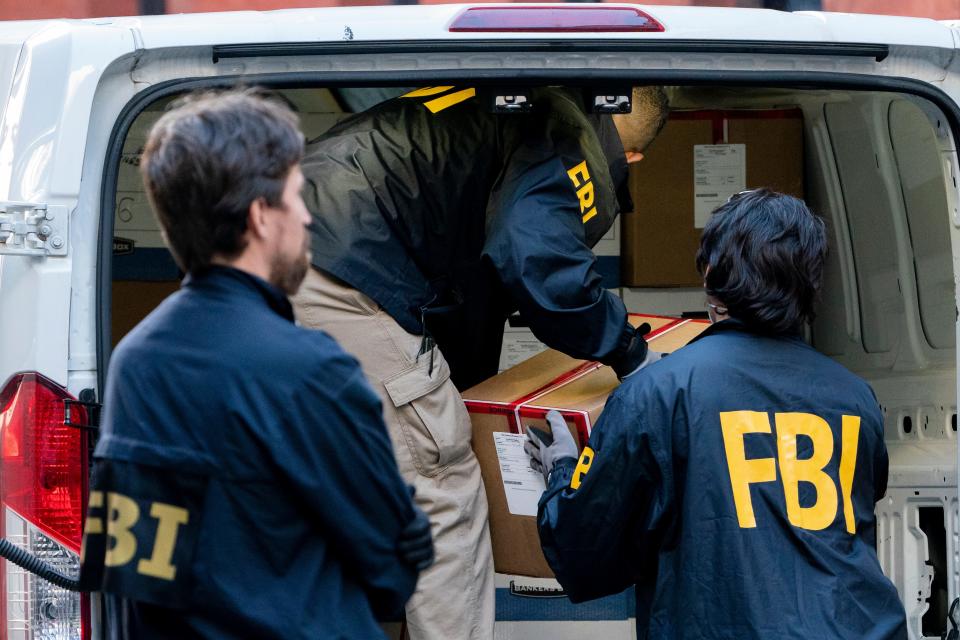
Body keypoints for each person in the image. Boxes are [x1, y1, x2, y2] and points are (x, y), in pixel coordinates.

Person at [292, 85, 669, 639]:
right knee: (441, 481)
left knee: (340, 479)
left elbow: (474, 282)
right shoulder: (570, 133)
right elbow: (537, 257)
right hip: (339, 265)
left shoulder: (506, 106)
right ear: (631, 155)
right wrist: (631, 355)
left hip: (267, 242)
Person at [78, 90, 433, 639]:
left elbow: (135, 579)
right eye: (297, 197)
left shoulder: (135, 363)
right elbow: (391, 571)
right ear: (261, 217)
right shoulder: (313, 371)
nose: (308, 216)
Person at [531, 189, 908, 639]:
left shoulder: (659, 392)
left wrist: (563, 472)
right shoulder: (855, 398)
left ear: (711, 275)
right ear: (811, 281)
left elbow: (585, 549)